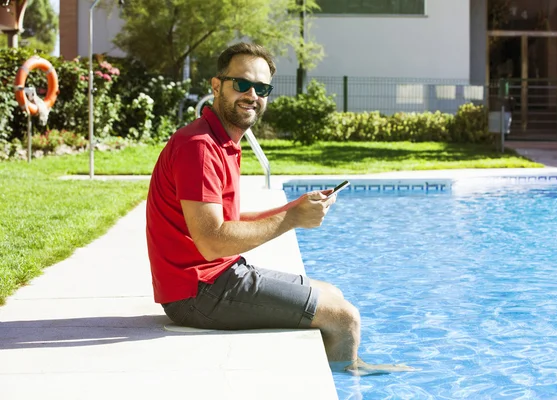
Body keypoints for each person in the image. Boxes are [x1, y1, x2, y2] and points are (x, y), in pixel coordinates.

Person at [145, 42, 412, 375]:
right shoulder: (200, 147)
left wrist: (294, 208)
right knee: (345, 318)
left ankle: (345, 369)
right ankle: (349, 382)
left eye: (262, 88)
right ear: (217, 86)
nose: (251, 94)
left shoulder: (219, 140)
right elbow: (212, 240)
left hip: (213, 279)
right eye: (241, 84)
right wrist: (291, 219)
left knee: (333, 293)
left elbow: (225, 220)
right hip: (198, 293)